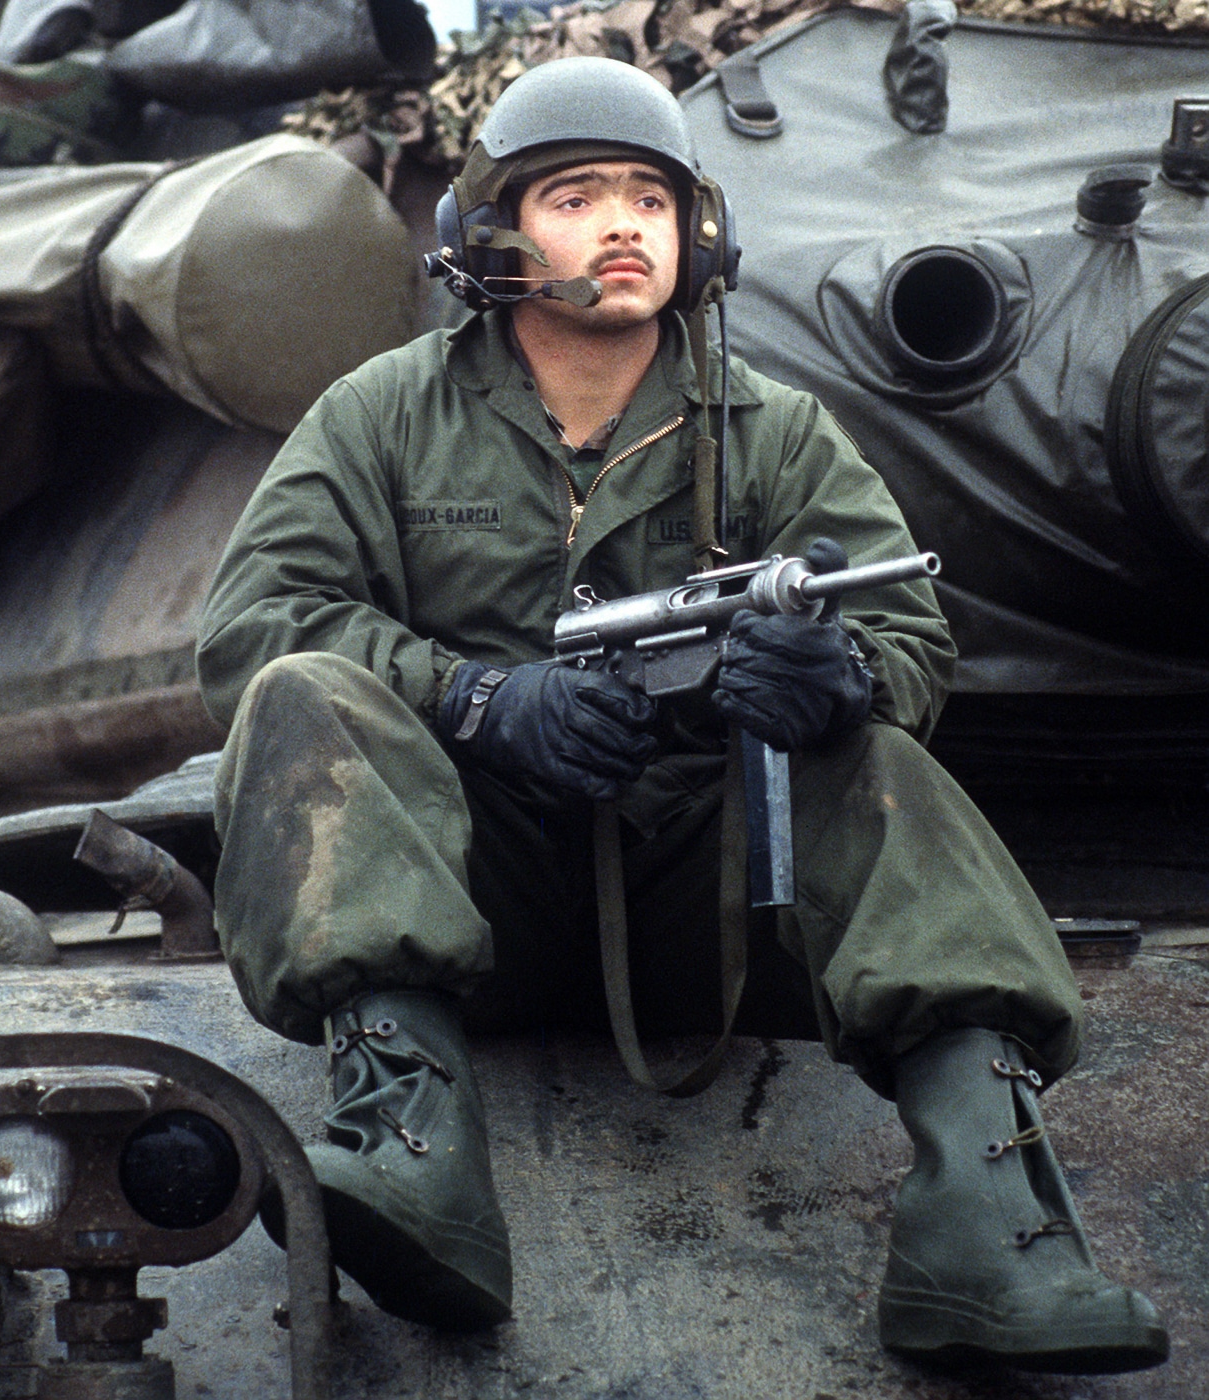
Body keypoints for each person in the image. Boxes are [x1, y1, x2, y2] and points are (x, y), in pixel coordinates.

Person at [195, 56, 1168, 1371]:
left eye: (650, 199)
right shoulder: (386, 417)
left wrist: (841, 676)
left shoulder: (771, 431)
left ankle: (987, 1222)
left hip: (720, 915)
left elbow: (910, 639)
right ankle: (408, 1153)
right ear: (487, 234)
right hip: (472, 899)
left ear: (696, 232)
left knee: (873, 757)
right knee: (305, 689)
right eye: (576, 195)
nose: (621, 226)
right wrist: (478, 699)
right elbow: (257, 621)